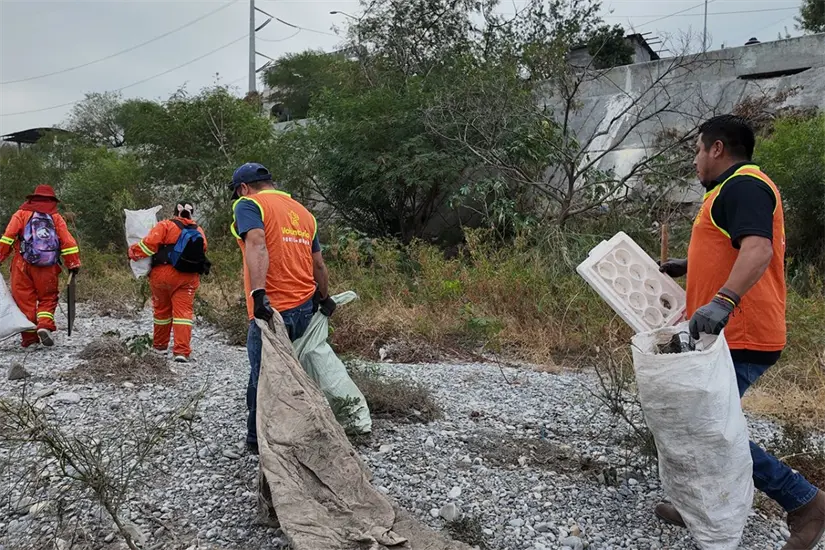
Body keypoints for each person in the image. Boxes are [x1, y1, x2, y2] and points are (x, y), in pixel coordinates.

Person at [657, 114, 825, 550]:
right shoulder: (727, 192)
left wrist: (724, 301)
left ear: (716, 148)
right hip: (729, 332)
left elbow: (758, 248)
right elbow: (733, 246)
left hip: (741, 332)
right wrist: (687, 266)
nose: (695, 160)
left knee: (709, 430)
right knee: (702, 425)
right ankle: (701, 505)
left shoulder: (743, 185)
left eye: (697, 149)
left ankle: (806, 503)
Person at [228, 162, 336, 455]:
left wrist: (259, 293)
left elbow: (257, 244)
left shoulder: (249, 204)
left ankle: (257, 440)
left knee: (263, 376)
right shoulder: (304, 213)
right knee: (294, 371)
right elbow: (318, 263)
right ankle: (300, 428)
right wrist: (325, 296)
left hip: (273, 309)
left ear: (243, 188)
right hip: (304, 308)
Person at [127, 201, 209, 363]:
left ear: (174, 213)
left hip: (163, 274)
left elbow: (148, 246)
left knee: (162, 312)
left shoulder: (165, 225)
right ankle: (181, 351)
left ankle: (160, 346)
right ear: (192, 213)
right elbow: (203, 249)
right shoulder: (198, 230)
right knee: (183, 314)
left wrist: (133, 252)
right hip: (188, 277)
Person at [0, 184, 81, 348]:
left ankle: (30, 339)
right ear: (52, 200)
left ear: (33, 198)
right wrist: (73, 263)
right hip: (48, 265)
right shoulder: (56, 217)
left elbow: (8, 237)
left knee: (24, 300)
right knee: (48, 297)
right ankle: (44, 325)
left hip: (22, 265)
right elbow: (68, 242)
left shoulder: (21, 214)